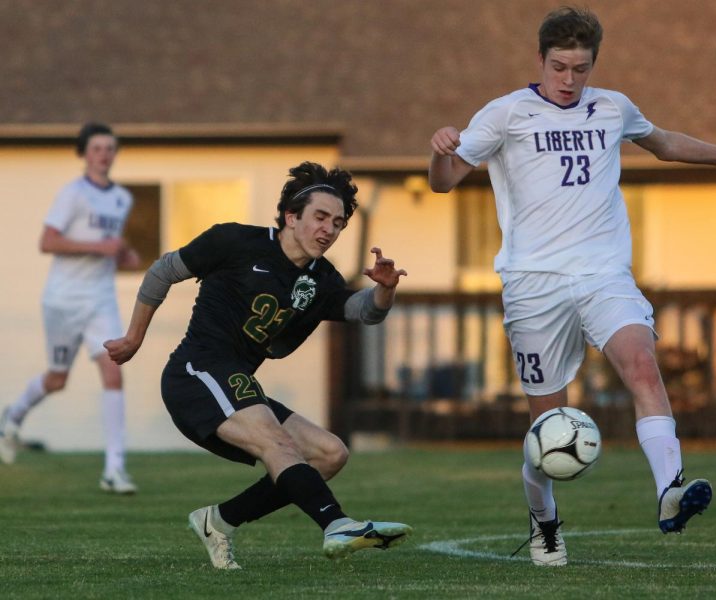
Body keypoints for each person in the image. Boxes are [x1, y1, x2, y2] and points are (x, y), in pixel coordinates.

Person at [429, 7, 716, 566]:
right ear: (539, 60)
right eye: (559, 67)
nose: (568, 80)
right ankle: (544, 524)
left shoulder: (613, 107)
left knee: (642, 364)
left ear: (593, 65)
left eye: (580, 69)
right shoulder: (505, 114)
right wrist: (439, 149)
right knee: (547, 427)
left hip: (603, 273)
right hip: (533, 283)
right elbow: (442, 183)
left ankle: (669, 491)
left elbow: (665, 143)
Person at [103, 161, 412, 569]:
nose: (329, 229)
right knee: (278, 444)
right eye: (320, 217)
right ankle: (336, 523)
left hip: (238, 381)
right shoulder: (233, 241)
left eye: (338, 223)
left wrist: (384, 290)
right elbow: (162, 271)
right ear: (290, 216)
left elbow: (363, 312)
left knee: (329, 454)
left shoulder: (322, 278)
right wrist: (134, 338)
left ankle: (219, 520)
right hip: (196, 374)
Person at [0, 122, 141, 494]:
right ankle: (12, 415)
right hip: (63, 300)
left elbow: (108, 246)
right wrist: (102, 249)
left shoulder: (122, 199)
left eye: (110, 148)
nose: (104, 155)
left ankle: (115, 469)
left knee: (113, 372)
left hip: (100, 300)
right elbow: (48, 241)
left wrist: (123, 253)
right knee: (57, 379)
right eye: (97, 148)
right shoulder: (72, 194)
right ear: (84, 153)